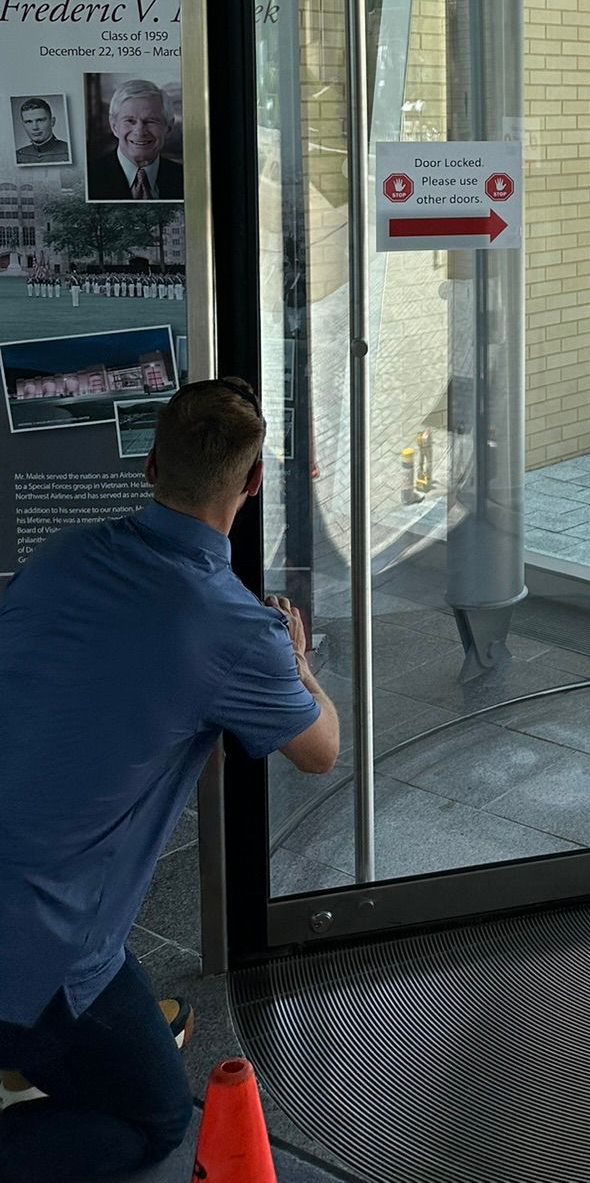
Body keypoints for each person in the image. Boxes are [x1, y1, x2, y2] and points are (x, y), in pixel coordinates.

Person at [0, 378, 339, 1181]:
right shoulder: (238, 631)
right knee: (153, 1120)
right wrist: (298, 662)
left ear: (151, 466)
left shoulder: (59, 556)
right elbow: (320, 750)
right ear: (253, 482)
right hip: (41, 942)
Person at [85, 81, 183, 202]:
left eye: (151, 121)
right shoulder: (87, 178)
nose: (140, 132)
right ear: (114, 126)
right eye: (130, 121)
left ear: (168, 127)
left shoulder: (186, 179)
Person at [13, 99, 69, 167]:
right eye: (28, 122)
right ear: (23, 125)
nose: (35, 127)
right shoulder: (18, 155)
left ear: (52, 122)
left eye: (40, 120)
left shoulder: (69, 152)